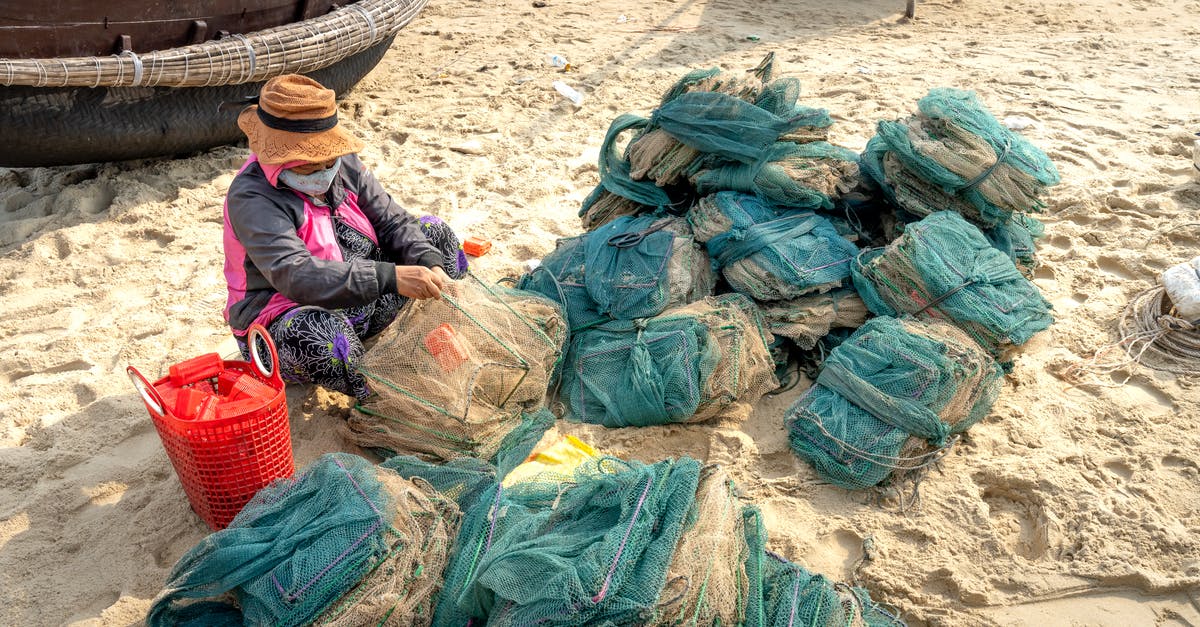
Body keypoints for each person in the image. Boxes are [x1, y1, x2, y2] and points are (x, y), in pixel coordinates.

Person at [222, 74, 469, 399]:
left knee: (432, 234)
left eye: (330, 160)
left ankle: (448, 333)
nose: (325, 171)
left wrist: (429, 264)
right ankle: (381, 399)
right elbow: (296, 275)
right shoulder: (251, 197)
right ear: (279, 155)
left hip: (360, 296)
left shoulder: (344, 166)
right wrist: (389, 276)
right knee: (324, 339)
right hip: (289, 314)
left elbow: (392, 220)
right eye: (310, 166)